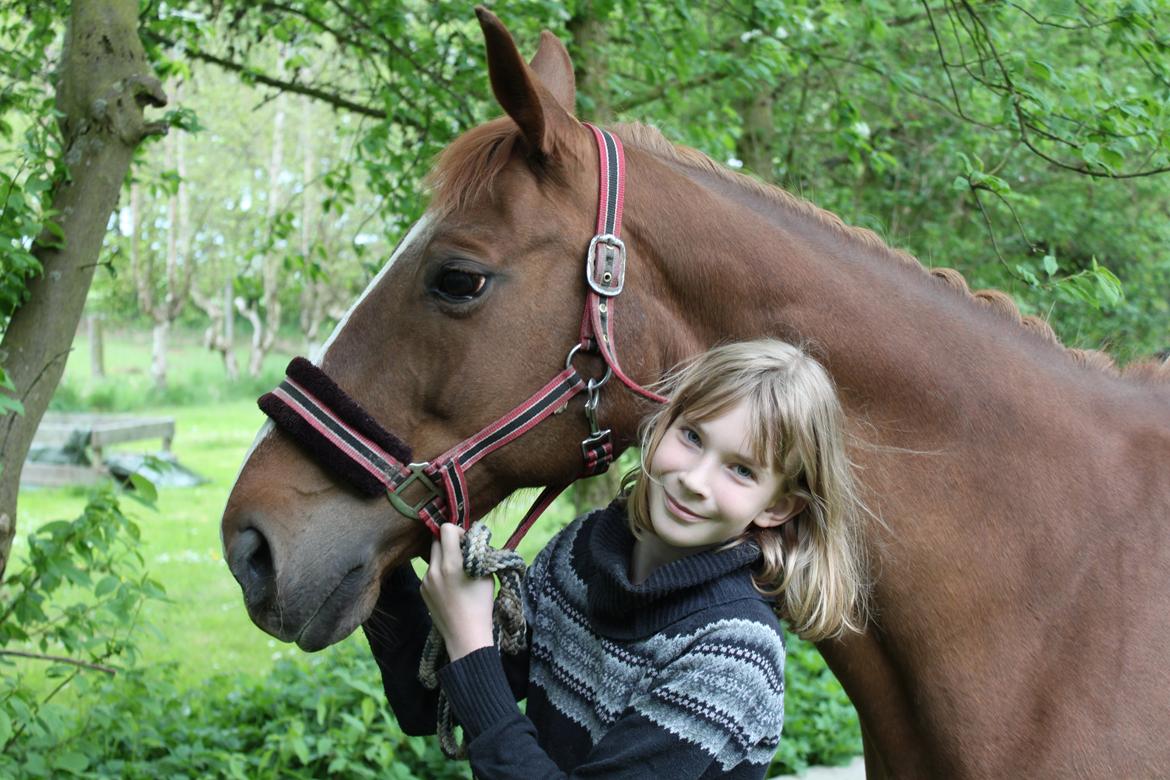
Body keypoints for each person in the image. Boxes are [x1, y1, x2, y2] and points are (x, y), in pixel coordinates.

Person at [363, 339, 870, 779]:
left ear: (777, 507)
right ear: (663, 424)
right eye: (692, 437)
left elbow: (474, 668)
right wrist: (372, 545)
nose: (694, 481)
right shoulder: (583, 553)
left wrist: (470, 639)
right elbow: (427, 701)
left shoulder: (733, 656)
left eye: (741, 470)